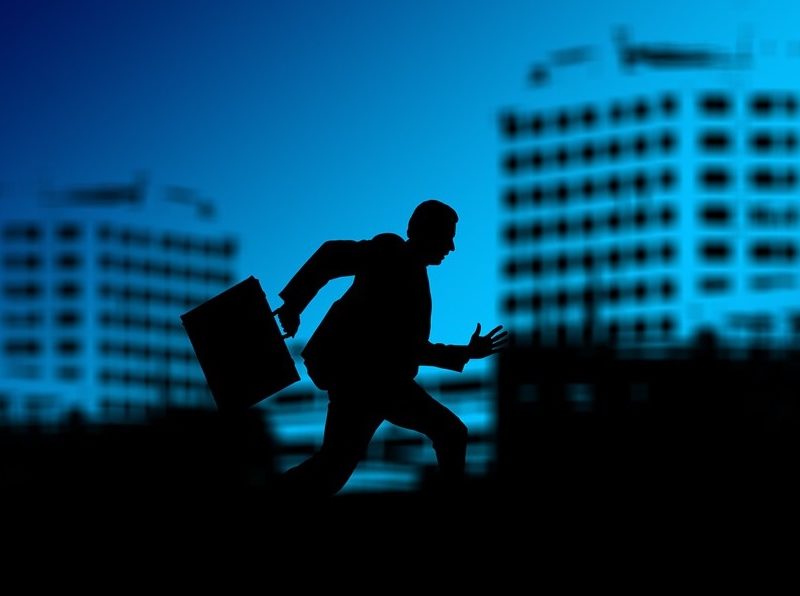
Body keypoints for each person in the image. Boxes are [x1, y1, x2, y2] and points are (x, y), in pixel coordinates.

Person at [273, 200, 506, 496]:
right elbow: (332, 255)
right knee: (449, 433)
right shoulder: (391, 250)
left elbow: (410, 348)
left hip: (378, 382)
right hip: (367, 378)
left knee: (333, 467)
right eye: (447, 235)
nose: (452, 246)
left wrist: (465, 353)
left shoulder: (415, 275)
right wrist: (294, 304)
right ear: (425, 231)